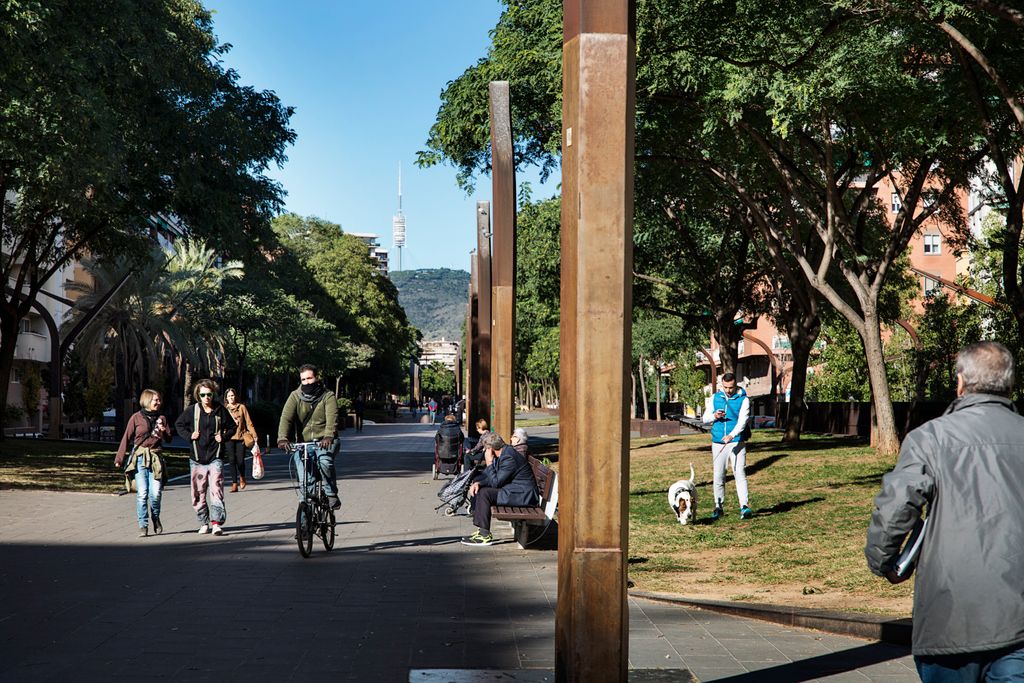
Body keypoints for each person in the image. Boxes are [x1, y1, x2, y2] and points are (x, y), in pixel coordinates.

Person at [866, 341, 1024, 681]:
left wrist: (884, 561)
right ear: (1009, 384)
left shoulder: (930, 438)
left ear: (961, 383)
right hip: (1018, 617)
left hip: (951, 611)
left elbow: (897, 507)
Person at [277, 364, 341, 509]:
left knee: (325, 462)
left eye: (309, 378)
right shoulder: (295, 396)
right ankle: (305, 521)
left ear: (317, 377)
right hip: (304, 444)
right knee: (305, 479)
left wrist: (328, 436)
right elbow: (286, 418)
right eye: (303, 380)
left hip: (325, 441)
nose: (307, 382)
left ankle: (331, 494)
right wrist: (282, 438)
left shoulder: (328, 396)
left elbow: (332, 419)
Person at [175, 380, 233, 535]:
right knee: (198, 491)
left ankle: (216, 523)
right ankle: (203, 522)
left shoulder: (220, 410)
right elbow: (179, 425)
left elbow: (233, 427)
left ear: (213, 394)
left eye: (209, 394)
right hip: (197, 458)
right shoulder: (192, 410)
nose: (206, 397)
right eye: (203, 395)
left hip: (216, 456)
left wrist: (224, 436)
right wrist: (190, 436)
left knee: (216, 488)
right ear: (198, 396)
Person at [462, 432, 539, 546]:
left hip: (523, 495)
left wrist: (489, 463)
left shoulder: (509, 457)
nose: (484, 452)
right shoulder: (504, 453)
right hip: (515, 490)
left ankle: (484, 535)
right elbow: (497, 478)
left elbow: (496, 482)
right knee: (481, 488)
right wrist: (479, 483)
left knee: (485, 493)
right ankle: (482, 531)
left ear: (491, 449)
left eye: (485, 449)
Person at [115, 389, 174, 537]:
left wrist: (164, 431)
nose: (158, 402)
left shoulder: (162, 418)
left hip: (155, 459)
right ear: (147, 401)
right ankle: (143, 525)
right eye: (156, 400)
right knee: (142, 494)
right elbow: (126, 437)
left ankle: (156, 517)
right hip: (140, 459)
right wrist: (119, 458)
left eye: (159, 400)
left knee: (156, 494)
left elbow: (169, 439)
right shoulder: (136, 418)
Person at [701, 372, 752, 520]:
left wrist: (732, 435)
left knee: (740, 473)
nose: (728, 390)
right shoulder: (715, 398)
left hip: (737, 442)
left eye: (730, 387)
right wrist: (714, 416)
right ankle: (718, 506)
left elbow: (743, 421)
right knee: (718, 476)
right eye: (725, 387)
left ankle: (744, 506)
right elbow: (705, 418)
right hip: (718, 441)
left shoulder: (744, 399)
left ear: (735, 384)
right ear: (721, 385)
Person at [223, 387, 257, 493]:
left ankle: (242, 476)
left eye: (232, 395)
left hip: (240, 437)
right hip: (229, 437)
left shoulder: (242, 407)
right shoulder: (224, 409)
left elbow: (248, 422)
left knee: (240, 461)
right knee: (232, 460)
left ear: (235, 396)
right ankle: (234, 483)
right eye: (229, 396)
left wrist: (254, 434)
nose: (231, 398)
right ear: (226, 398)